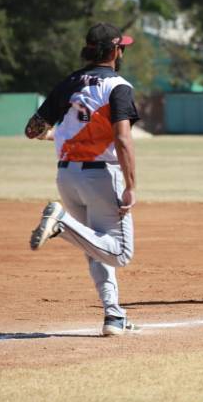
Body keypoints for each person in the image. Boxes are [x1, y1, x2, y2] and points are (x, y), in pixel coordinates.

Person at [24, 22, 140, 336]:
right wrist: (131, 186)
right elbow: (123, 139)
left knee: (94, 245)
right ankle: (60, 223)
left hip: (67, 176)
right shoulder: (118, 86)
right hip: (102, 176)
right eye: (122, 46)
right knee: (119, 252)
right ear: (116, 50)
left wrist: (59, 134)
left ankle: (113, 316)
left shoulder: (70, 82)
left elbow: (32, 130)